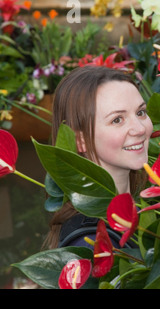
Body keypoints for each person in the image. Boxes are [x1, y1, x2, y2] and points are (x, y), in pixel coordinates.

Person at [42, 66, 153, 249]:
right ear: (80, 140)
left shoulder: (143, 212)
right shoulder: (92, 244)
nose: (140, 129)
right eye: (117, 119)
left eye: (140, 112)